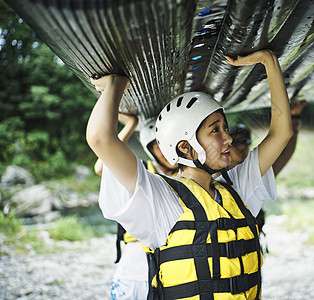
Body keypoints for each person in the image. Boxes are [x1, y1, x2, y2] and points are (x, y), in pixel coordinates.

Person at [86, 49, 293, 299]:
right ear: (185, 147)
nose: (228, 138)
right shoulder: (162, 200)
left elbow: (282, 133)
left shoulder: (238, 190)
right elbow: (100, 138)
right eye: (215, 130)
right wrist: (116, 85)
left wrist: (269, 61)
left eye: (225, 128)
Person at [94, 116, 178, 299]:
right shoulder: (142, 171)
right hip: (135, 263)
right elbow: (101, 166)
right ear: (150, 149)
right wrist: (131, 125)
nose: (165, 150)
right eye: (158, 145)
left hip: (172, 264)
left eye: (168, 143)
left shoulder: (187, 176)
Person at [228, 100, 307, 241]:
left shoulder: (258, 172)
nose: (242, 147)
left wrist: (293, 117)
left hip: (251, 243)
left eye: (245, 142)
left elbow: (285, 153)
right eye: (236, 142)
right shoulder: (216, 175)